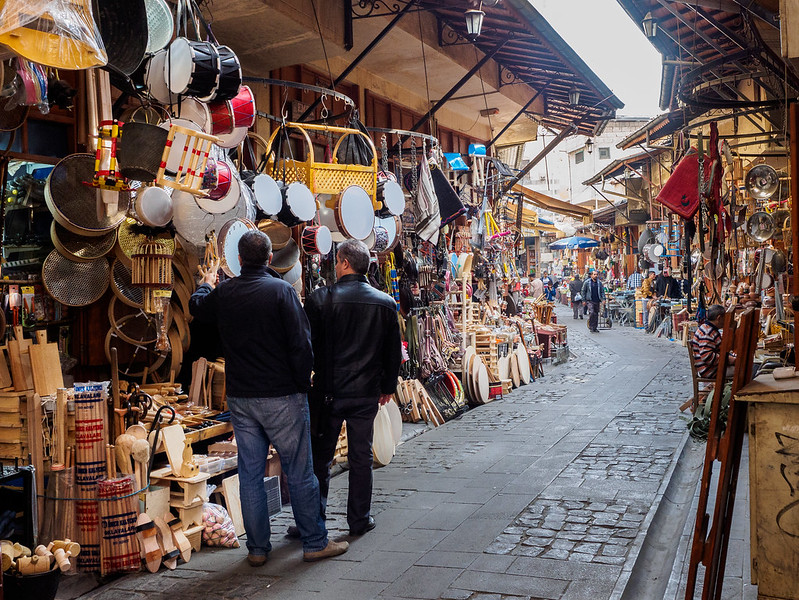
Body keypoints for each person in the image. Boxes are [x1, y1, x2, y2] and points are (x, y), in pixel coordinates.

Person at [190, 230, 348, 566]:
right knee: (300, 470)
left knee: (249, 474)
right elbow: (301, 345)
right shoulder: (281, 292)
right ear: (269, 258)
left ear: (240, 259)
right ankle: (314, 542)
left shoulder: (226, 292)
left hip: (242, 397)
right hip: (282, 395)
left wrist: (206, 282)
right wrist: (301, 383)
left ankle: (258, 550)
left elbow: (198, 308)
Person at [305, 240, 402, 537]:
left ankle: (312, 521)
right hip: (366, 393)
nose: (335, 266)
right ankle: (359, 519)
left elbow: (306, 346)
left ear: (345, 263)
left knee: (320, 460)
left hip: (327, 393)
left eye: (337, 262)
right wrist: (387, 386)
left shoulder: (320, 299)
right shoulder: (385, 303)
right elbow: (392, 352)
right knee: (361, 458)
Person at [692, 304, 735, 379]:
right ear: (719, 318)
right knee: (743, 370)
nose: (726, 320)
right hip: (709, 371)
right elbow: (707, 356)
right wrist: (728, 360)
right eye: (724, 318)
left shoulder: (710, 329)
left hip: (712, 367)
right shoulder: (707, 332)